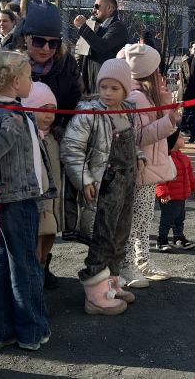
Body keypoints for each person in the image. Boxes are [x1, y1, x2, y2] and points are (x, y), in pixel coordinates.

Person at [0, 51, 53, 352]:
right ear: (15, 80)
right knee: (25, 265)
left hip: (21, 196)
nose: (32, 81)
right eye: (30, 76)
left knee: (1, 265)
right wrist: (10, 133)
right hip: (14, 200)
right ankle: (32, 330)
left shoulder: (18, 111)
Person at [60, 58, 140, 315]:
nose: (107, 92)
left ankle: (112, 282)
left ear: (125, 90)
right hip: (104, 186)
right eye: (103, 86)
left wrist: (138, 155)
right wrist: (83, 179)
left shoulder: (128, 110)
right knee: (102, 237)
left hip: (127, 183)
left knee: (120, 234)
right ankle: (95, 294)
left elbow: (132, 141)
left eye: (114, 88)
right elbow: (71, 148)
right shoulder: (89, 112)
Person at [119, 43, 181, 287]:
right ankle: (128, 265)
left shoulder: (148, 96)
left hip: (149, 168)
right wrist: (169, 121)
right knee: (135, 220)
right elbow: (138, 136)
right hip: (141, 168)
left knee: (144, 219)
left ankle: (142, 259)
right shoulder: (136, 98)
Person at [22, 83, 62, 290]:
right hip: (39, 201)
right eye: (43, 110)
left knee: (50, 234)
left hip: (53, 200)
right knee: (37, 237)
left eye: (52, 110)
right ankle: (36, 274)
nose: (49, 116)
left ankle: (44, 265)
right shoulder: (28, 136)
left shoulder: (54, 137)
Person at [20, 0, 82, 128]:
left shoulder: (67, 64)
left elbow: (76, 101)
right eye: (39, 41)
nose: (46, 49)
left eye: (53, 43)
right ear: (26, 38)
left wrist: (60, 130)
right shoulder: (8, 64)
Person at [72, 0, 129, 94]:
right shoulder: (96, 27)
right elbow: (81, 54)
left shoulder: (118, 27)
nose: (93, 10)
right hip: (91, 87)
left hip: (109, 89)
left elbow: (102, 46)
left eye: (97, 6)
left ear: (109, 8)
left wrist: (83, 27)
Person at [155, 132, 195, 252]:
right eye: (179, 136)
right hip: (169, 196)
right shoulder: (164, 159)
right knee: (167, 220)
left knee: (180, 218)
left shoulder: (184, 158)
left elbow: (190, 175)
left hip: (181, 196)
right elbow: (159, 177)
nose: (183, 138)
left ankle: (178, 237)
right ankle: (162, 240)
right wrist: (163, 193)